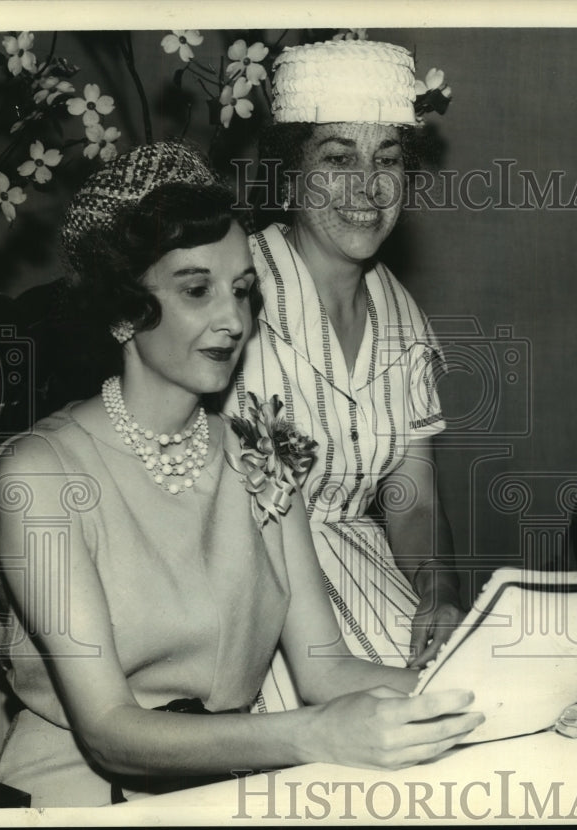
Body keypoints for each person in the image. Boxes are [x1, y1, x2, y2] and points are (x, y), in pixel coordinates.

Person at [0, 141, 577, 807]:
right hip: (76, 802)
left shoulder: (263, 458)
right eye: (197, 290)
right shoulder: (40, 473)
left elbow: (326, 668)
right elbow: (111, 732)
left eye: (244, 291)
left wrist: (523, 690)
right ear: (122, 308)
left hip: (226, 794)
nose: (232, 320)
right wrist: (315, 735)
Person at [229, 38, 461, 690]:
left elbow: (412, 505)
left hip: (371, 582)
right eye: (338, 159)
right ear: (288, 173)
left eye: (387, 159)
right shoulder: (229, 291)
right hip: (251, 599)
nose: (368, 185)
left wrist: (438, 593)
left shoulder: (404, 317)